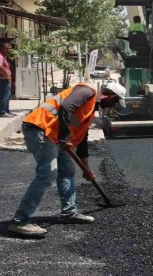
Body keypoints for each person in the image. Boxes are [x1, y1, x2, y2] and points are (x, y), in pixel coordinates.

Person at [8, 81, 126, 238]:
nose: (114, 105)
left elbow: (82, 140)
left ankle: (69, 213)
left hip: (56, 134)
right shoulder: (87, 91)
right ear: (109, 96)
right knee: (47, 173)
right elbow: (66, 107)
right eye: (115, 101)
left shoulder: (89, 110)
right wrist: (65, 137)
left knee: (68, 170)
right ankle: (19, 221)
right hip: (41, 128)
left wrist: (86, 169)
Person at [0, 40, 13, 118]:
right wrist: (6, 75)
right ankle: (2, 112)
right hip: (3, 79)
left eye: (9, 48)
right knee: (4, 96)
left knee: (7, 96)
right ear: (1, 47)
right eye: (7, 48)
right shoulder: (0, 56)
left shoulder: (4, 55)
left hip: (7, 79)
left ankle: (7, 110)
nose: (8, 50)